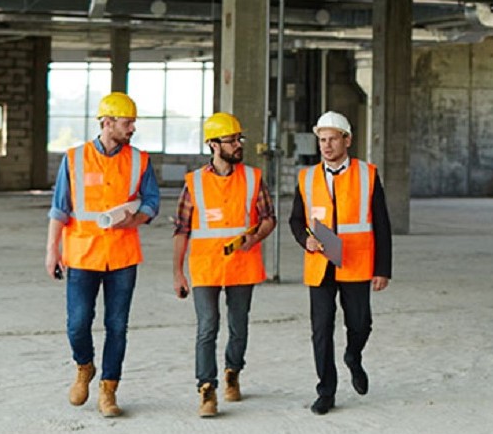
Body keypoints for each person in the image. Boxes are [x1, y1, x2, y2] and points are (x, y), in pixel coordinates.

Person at [45, 91, 160, 417]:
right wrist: (51, 250)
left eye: (133, 123)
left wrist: (135, 218)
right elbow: (59, 208)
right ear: (107, 123)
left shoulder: (140, 160)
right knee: (78, 323)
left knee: (117, 325)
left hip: (122, 256)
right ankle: (84, 366)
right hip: (82, 254)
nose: (132, 129)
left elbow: (152, 201)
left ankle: (109, 390)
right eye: (127, 123)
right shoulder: (75, 158)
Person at [172, 112, 277, 417]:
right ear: (214, 145)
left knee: (238, 325)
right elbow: (182, 229)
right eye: (231, 140)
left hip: (242, 264)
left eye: (238, 139)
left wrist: (255, 238)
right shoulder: (195, 183)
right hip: (205, 266)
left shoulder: (253, 178)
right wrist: (178, 272)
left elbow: (269, 218)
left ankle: (233, 371)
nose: (238, 144)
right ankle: (207, 389)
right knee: (207, 327)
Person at [288, 110, 392, 415]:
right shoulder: (306, 177)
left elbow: (382, 225)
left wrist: (382, 269)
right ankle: (326, 391)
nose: (327, 146)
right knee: (321, 330)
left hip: (356, 262)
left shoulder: (367, 174)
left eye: (333, 139)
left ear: (347, 140)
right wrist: (304, 239)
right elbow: (296, 220)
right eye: (322, 140)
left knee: (360, 324)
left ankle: (353, 356)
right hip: (320, 263)